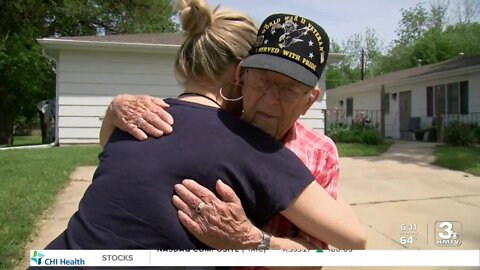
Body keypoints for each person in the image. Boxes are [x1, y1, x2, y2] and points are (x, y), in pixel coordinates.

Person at [45, 0, 365, 256]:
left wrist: (254, 242)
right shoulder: (248, 146)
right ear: (242, 74)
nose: (269, 101)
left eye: (288, 89)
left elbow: (340, 247)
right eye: (263, 80)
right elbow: (354, 238)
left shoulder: (139, 121)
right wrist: (114, 110)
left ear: (310, 100)